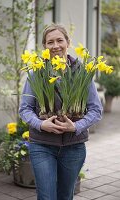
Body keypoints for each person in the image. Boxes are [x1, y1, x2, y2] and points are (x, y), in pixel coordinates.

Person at [19, 24, 103, 200]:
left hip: (73, 147)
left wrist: (76, 126)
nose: (55, 45)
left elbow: (96, 110)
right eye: (50, 42)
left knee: (66, 196)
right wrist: (41, 124)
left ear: (68, 42)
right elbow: (25, 109)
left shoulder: (82, 72)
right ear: (45, 47)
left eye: (59, 40)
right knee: (47, 196)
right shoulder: (36, 72)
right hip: (41, 145)